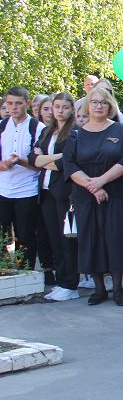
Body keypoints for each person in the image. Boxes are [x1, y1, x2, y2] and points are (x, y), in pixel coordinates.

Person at [63, 87, 123, 306]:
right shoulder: (76, 134)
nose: (99, 106)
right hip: (85, 196)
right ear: (87, 105)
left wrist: (102, 181)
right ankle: (99, 289)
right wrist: (94, 187)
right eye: (94, 102)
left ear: (110, 106)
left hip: (116, 194)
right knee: (90, 240)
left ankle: (118, 290)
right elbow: (69, 164)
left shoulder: (121, 130)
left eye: (104, 102)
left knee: (116, 239)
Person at [30, 92, 79, 301]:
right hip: (46, 191)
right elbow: (32, 159)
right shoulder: (47, 131)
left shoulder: (75, 132)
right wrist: (50, 159)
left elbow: (65, 162)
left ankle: (70, 284)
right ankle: (61, 281)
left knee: (67, 240)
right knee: (54, 239)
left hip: (64, 193)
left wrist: (45, 160)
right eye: (56, 107)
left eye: (65, 107)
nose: (60, 111)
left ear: (71, 109)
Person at [0, 87, 45, 272]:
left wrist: (21, 161)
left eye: (18, 103)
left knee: (25, 237)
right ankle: (4, 272)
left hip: (27, 190)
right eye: (10, 103)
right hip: (3, 189)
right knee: (2, 237)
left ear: (27, 104)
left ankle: (24, 274)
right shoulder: (2, 126)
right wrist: (4, 164)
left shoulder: (37, 127)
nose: (13, 107)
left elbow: (41, 163)